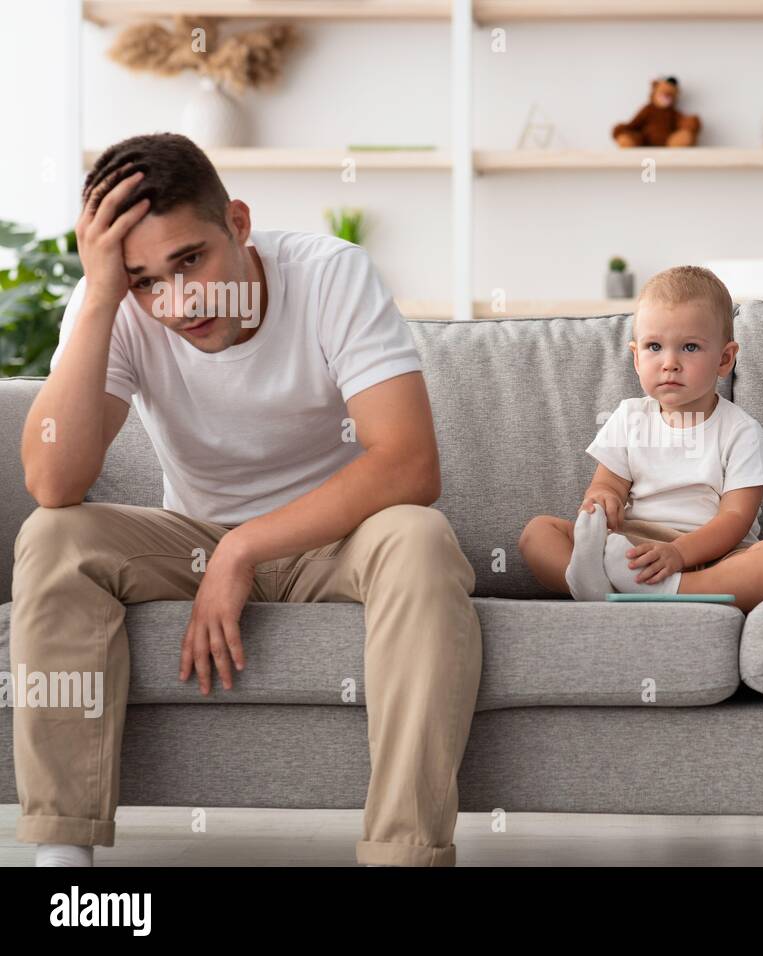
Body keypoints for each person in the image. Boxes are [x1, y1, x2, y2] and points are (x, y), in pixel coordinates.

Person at [13, 132, 482, 867]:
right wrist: (104, 295)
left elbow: (410, 464)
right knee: (52, 537)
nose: (176, 302)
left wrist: (245, 545)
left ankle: (403, 855)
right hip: (190, 539)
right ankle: (63, 856)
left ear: (238, 221)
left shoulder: (331, 274)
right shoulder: (118, 305)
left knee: (419, 538)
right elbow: (54, 483)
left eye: (190, 260)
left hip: (336, 541)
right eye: (144, 279)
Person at [519, 265, 763, 614]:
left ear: (725, 358)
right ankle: (590, 580)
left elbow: (736, 519)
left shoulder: (741, 431)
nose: (670, 363)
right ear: (636, 357)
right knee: (538, 533)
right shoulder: (628, 417)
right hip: (630, 549)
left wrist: (679, 554)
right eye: (654, 346)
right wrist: (601, 501)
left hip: (711, 557)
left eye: (689, 347)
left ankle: (677, 588)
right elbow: (607, 485)